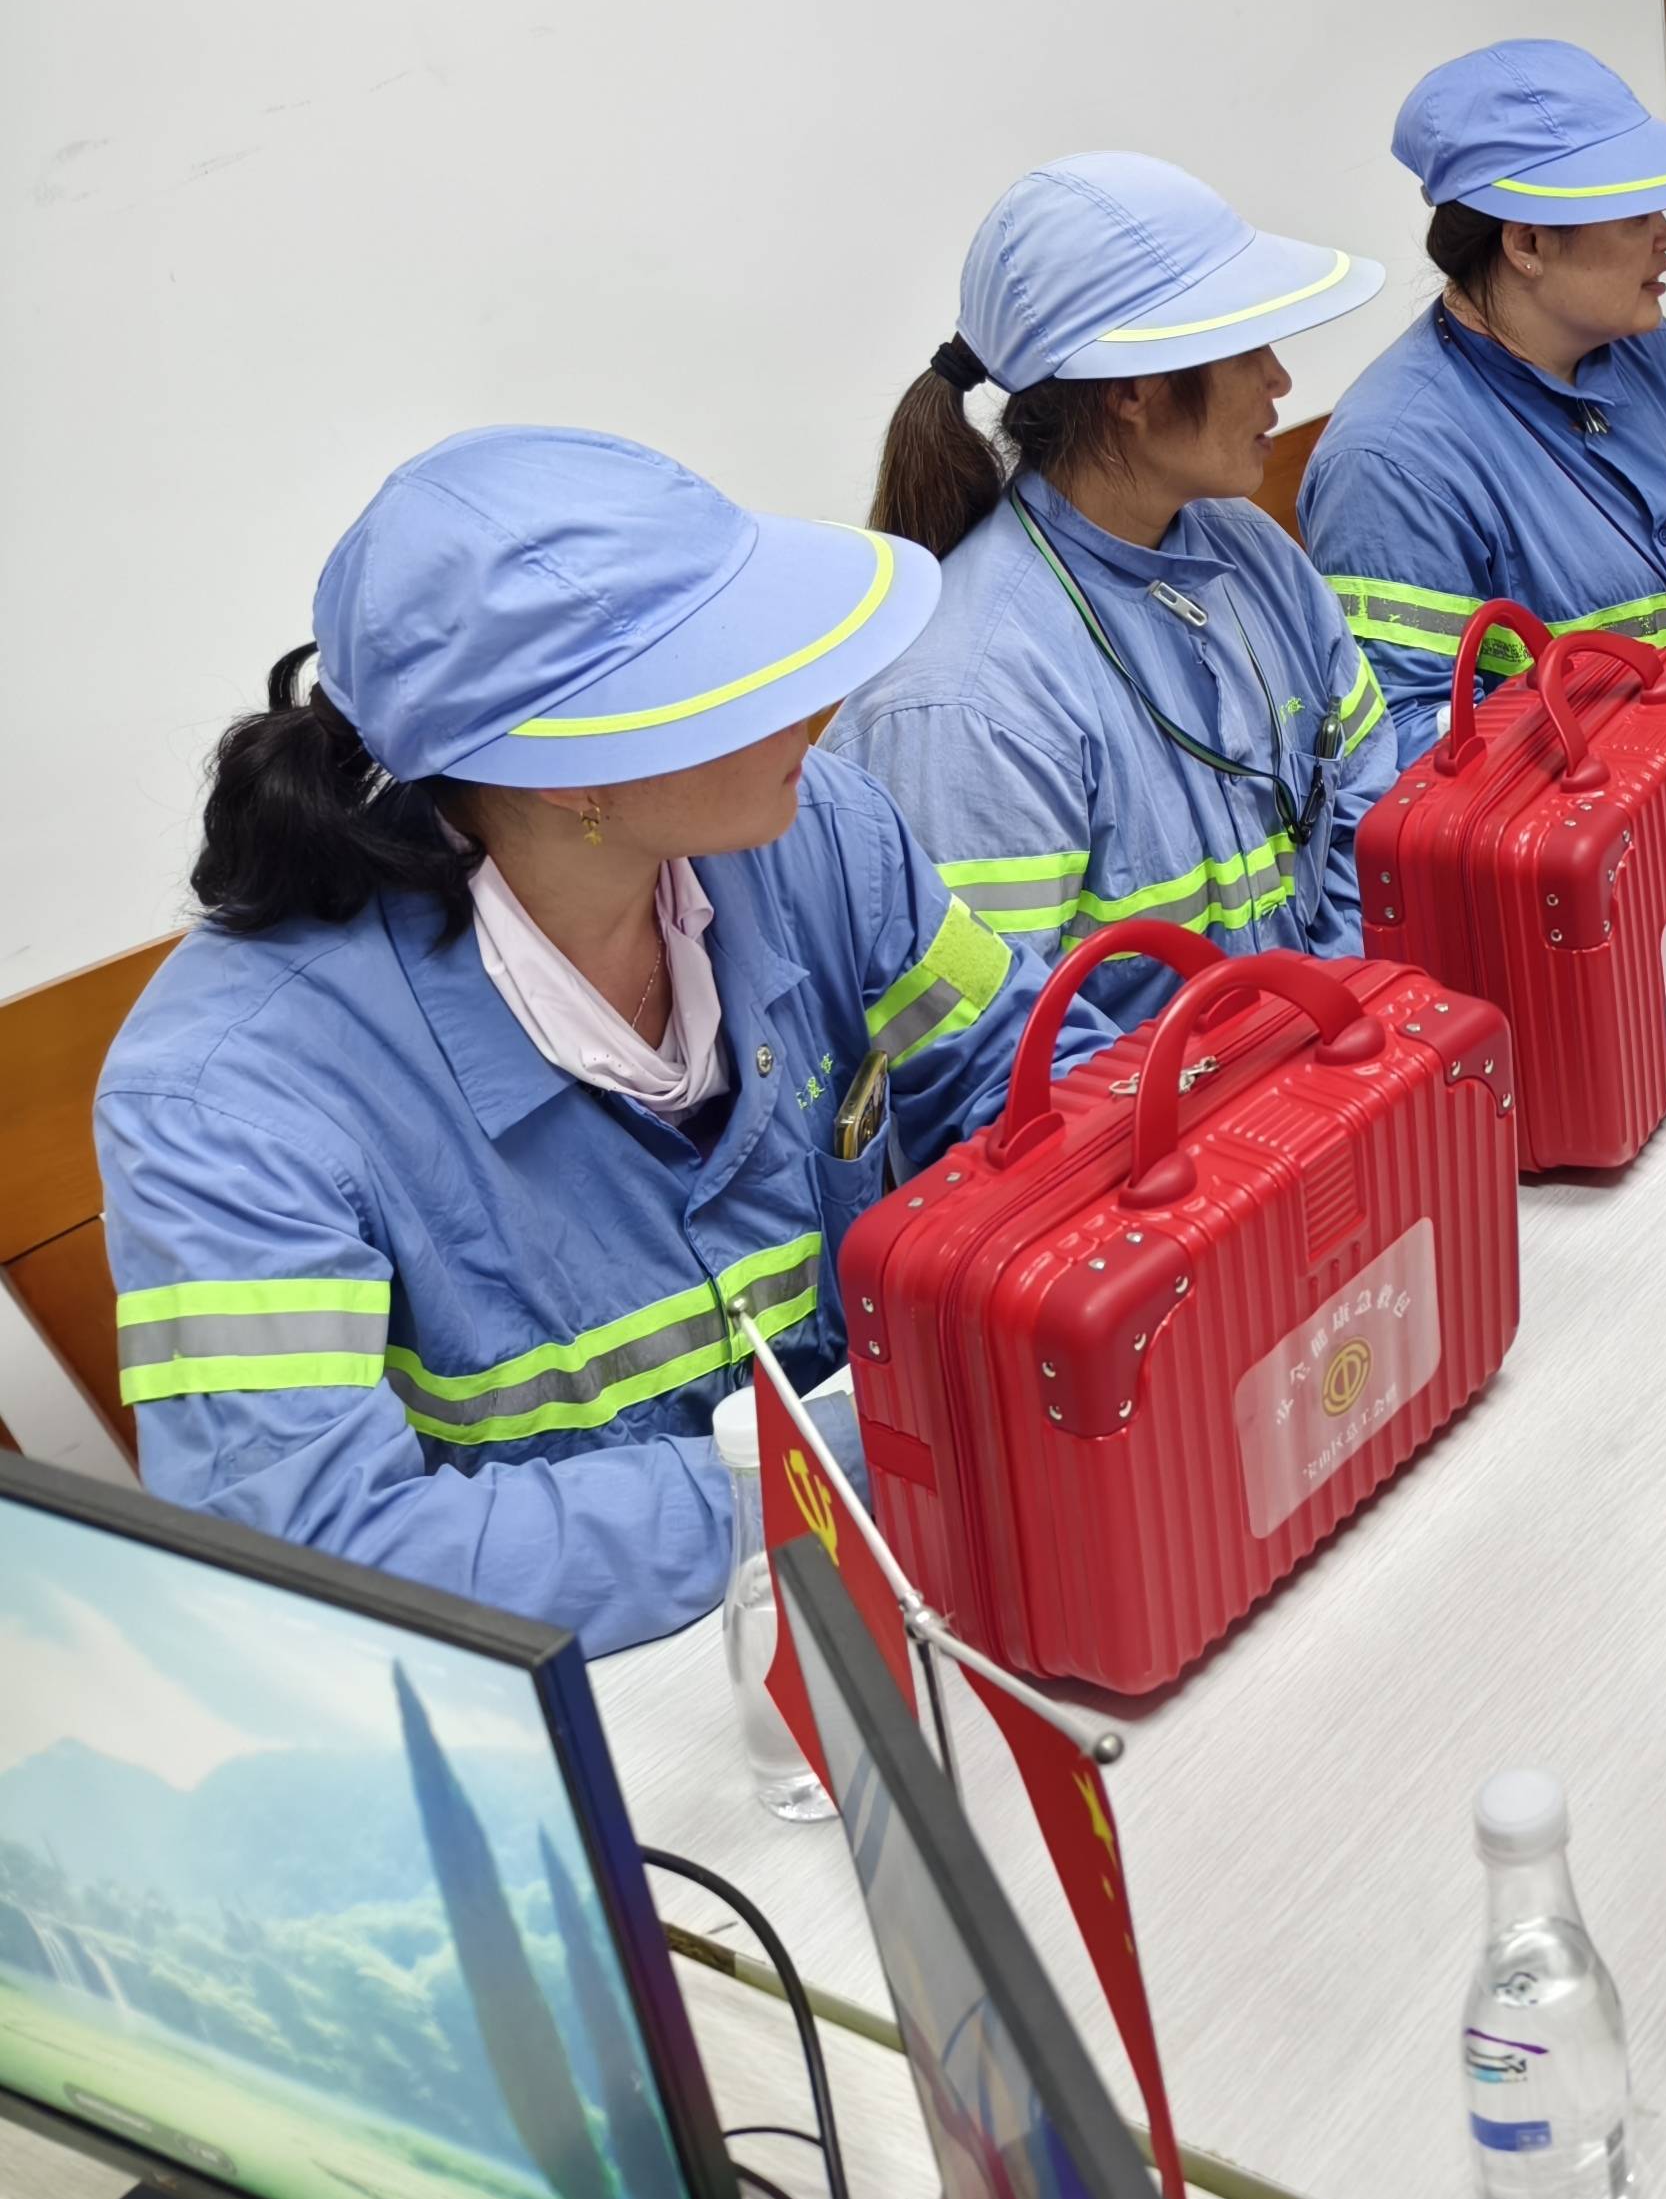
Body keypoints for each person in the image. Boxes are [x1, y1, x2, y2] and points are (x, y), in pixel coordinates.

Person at [98, 429, 1093, 1657]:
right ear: (569, 766)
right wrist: (866, 1462)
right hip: (615, 1709)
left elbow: (1044, 1087)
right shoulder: (221, 1097)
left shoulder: (821, 829)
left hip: (918, 1587)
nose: (821, 698)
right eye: (741, 667)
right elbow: (317, 1562)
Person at [834, 152, 1387, 1006]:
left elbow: (1370, 811)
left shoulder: (1250, 550)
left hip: (1318, 1090)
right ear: (1134, 389)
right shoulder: (968, 703)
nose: (1279, 379)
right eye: (1246, 347)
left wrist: (1335, 1022)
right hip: (1156, 1132)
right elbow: (998, 1067)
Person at [1299, 41, 1666, 779]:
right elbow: (1411, 753)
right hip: (1592, 837)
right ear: (1528, 243)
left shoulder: (1649, 352)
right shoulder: (1391, 464)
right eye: (1635, 213)